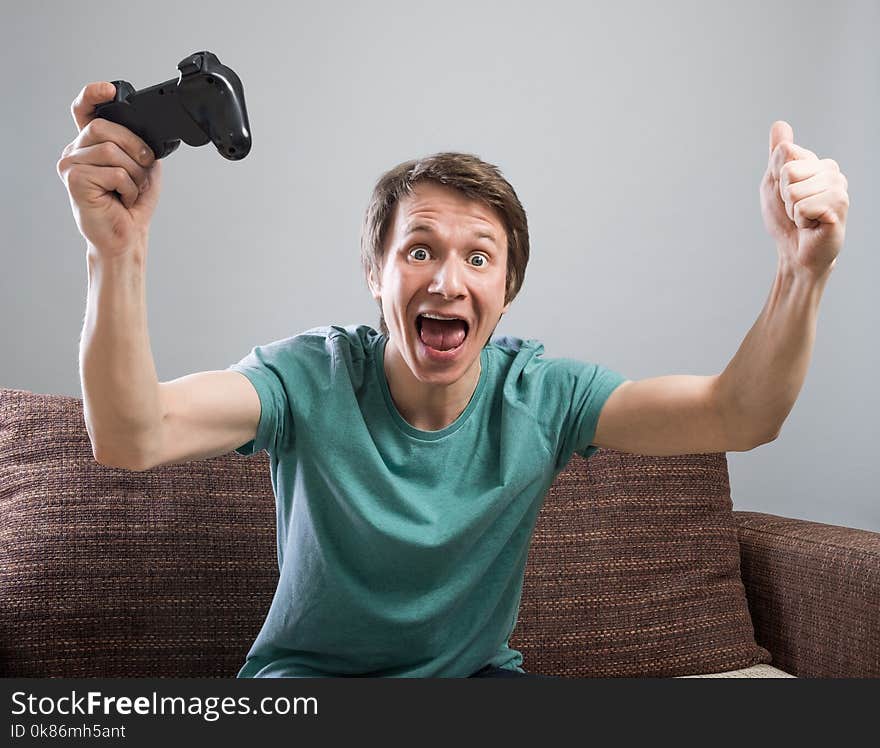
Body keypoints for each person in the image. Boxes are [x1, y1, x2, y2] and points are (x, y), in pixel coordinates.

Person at [58, 82, 849, 678]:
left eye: (479, 258)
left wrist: (800, 269)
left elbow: (737, 414)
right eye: (419, 250)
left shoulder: (543, 394)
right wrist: (115, 251)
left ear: (507, 290)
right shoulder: (305, 376)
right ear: (375, 274)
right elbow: (132, 437)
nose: (447, 281)